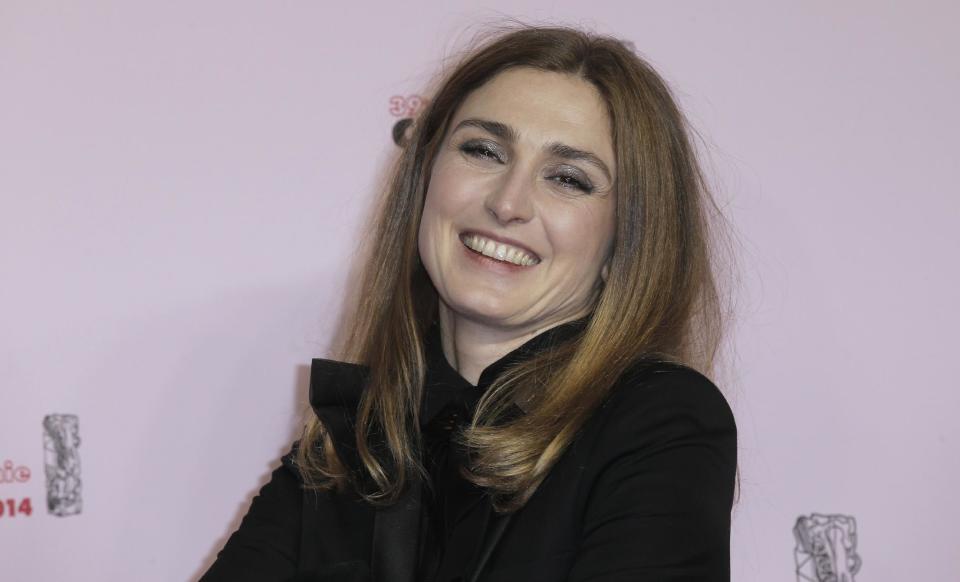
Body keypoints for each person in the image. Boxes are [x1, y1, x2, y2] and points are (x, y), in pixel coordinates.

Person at [201, 22, 738, 582]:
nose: (508, 203)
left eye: (568, 179)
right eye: (484, 150)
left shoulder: (659, 422)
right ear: (425, 177)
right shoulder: (355, 438)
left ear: (625, 239)